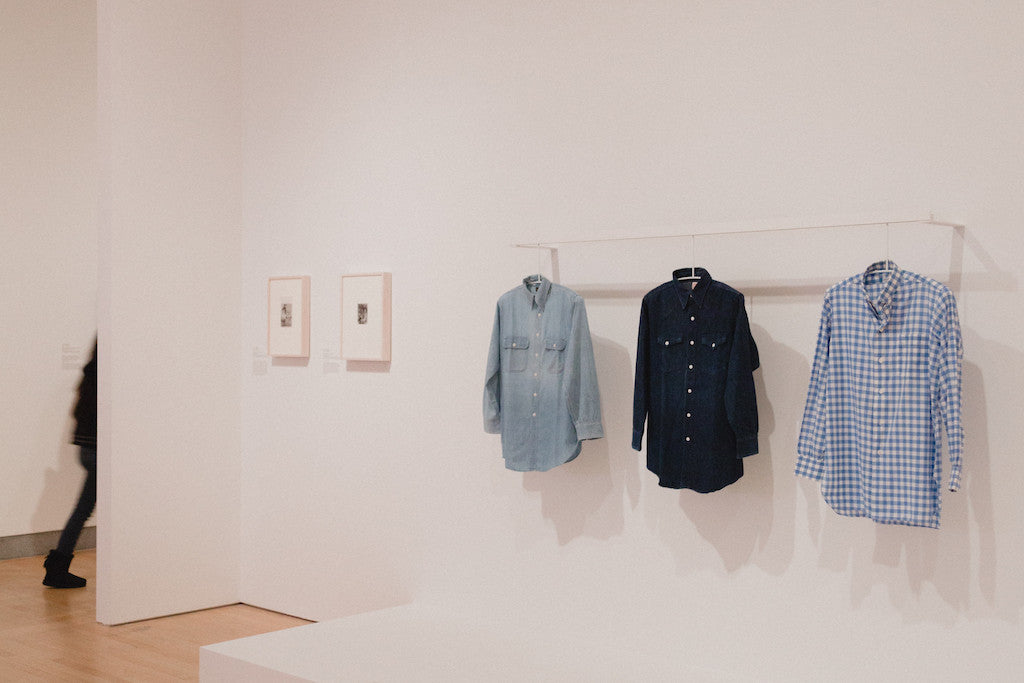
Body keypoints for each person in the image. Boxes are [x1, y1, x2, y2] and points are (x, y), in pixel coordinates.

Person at [43, 339, 97, 588]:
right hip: (100, 452)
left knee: (83, 508)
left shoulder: (89, 374)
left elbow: (77, 413)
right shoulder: (105, 377)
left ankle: (57, 566)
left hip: (88, 449)